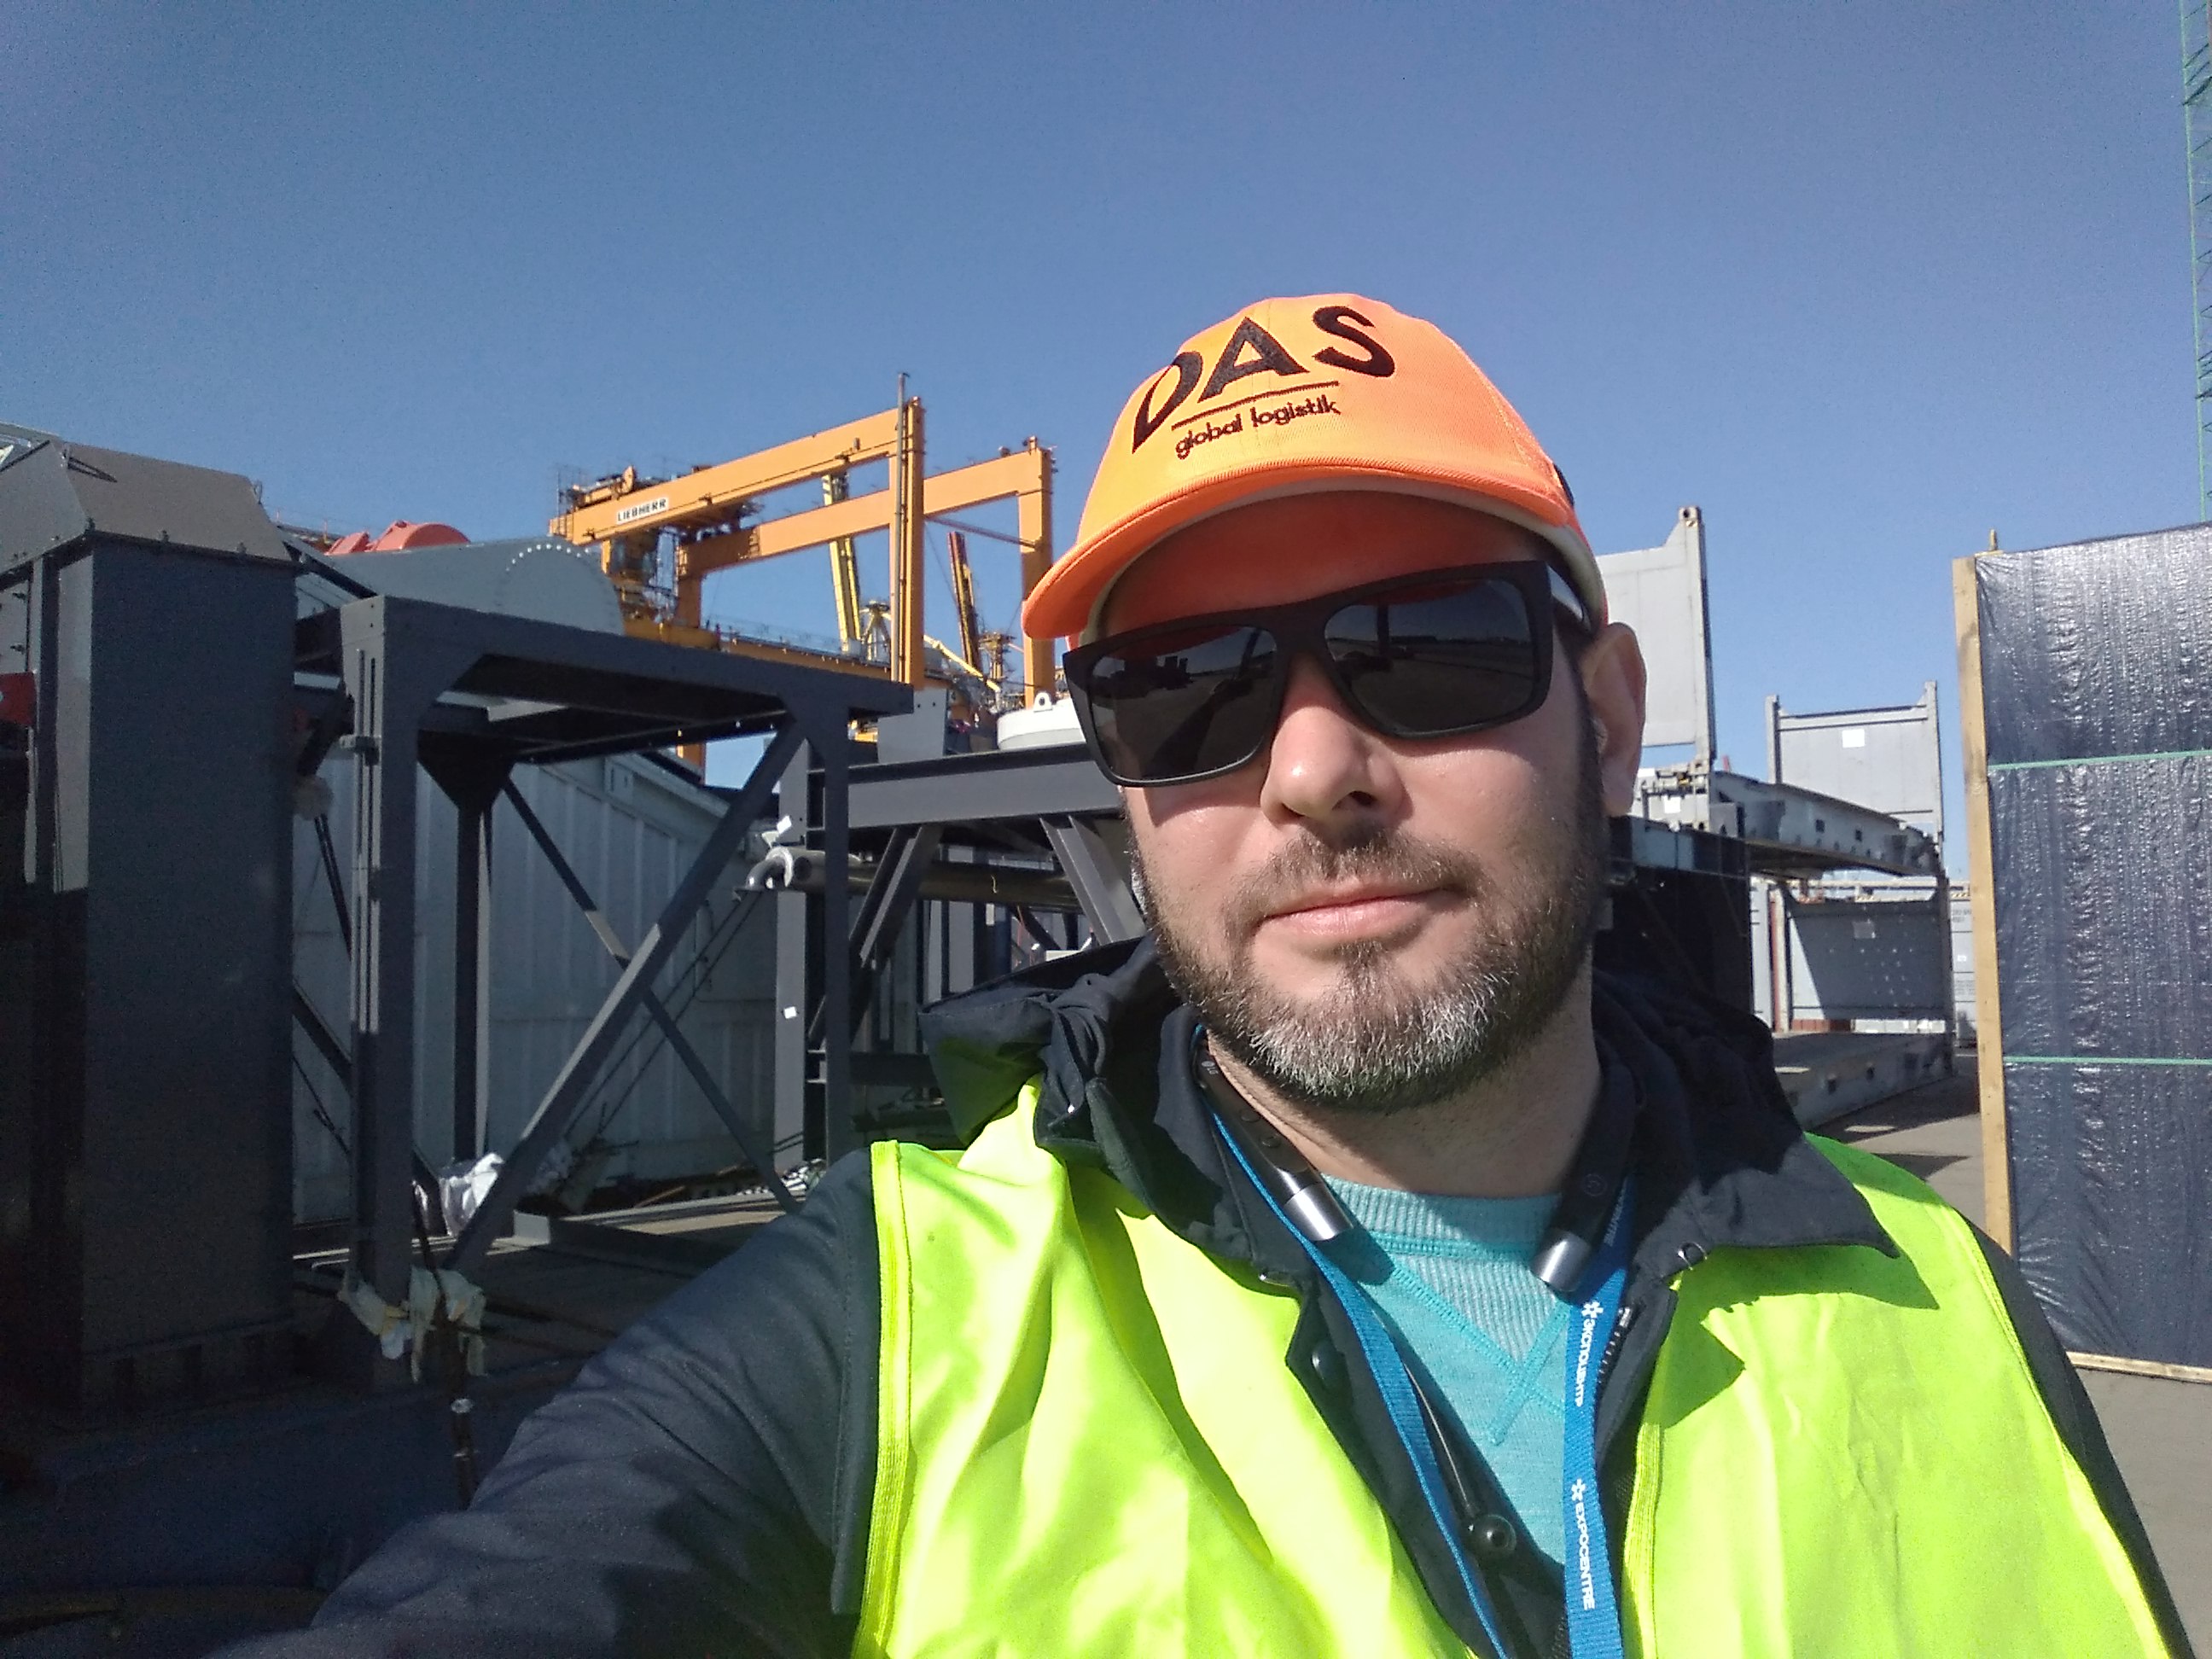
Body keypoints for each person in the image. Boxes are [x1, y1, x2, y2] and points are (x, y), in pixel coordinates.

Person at [235, 296, 2191, 1657]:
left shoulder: (1941, 1304)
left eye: (1424, 644)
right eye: (1186, 691)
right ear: (1121, 778)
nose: (1316, 768)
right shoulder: (889, 1333)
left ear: (1607, 716)